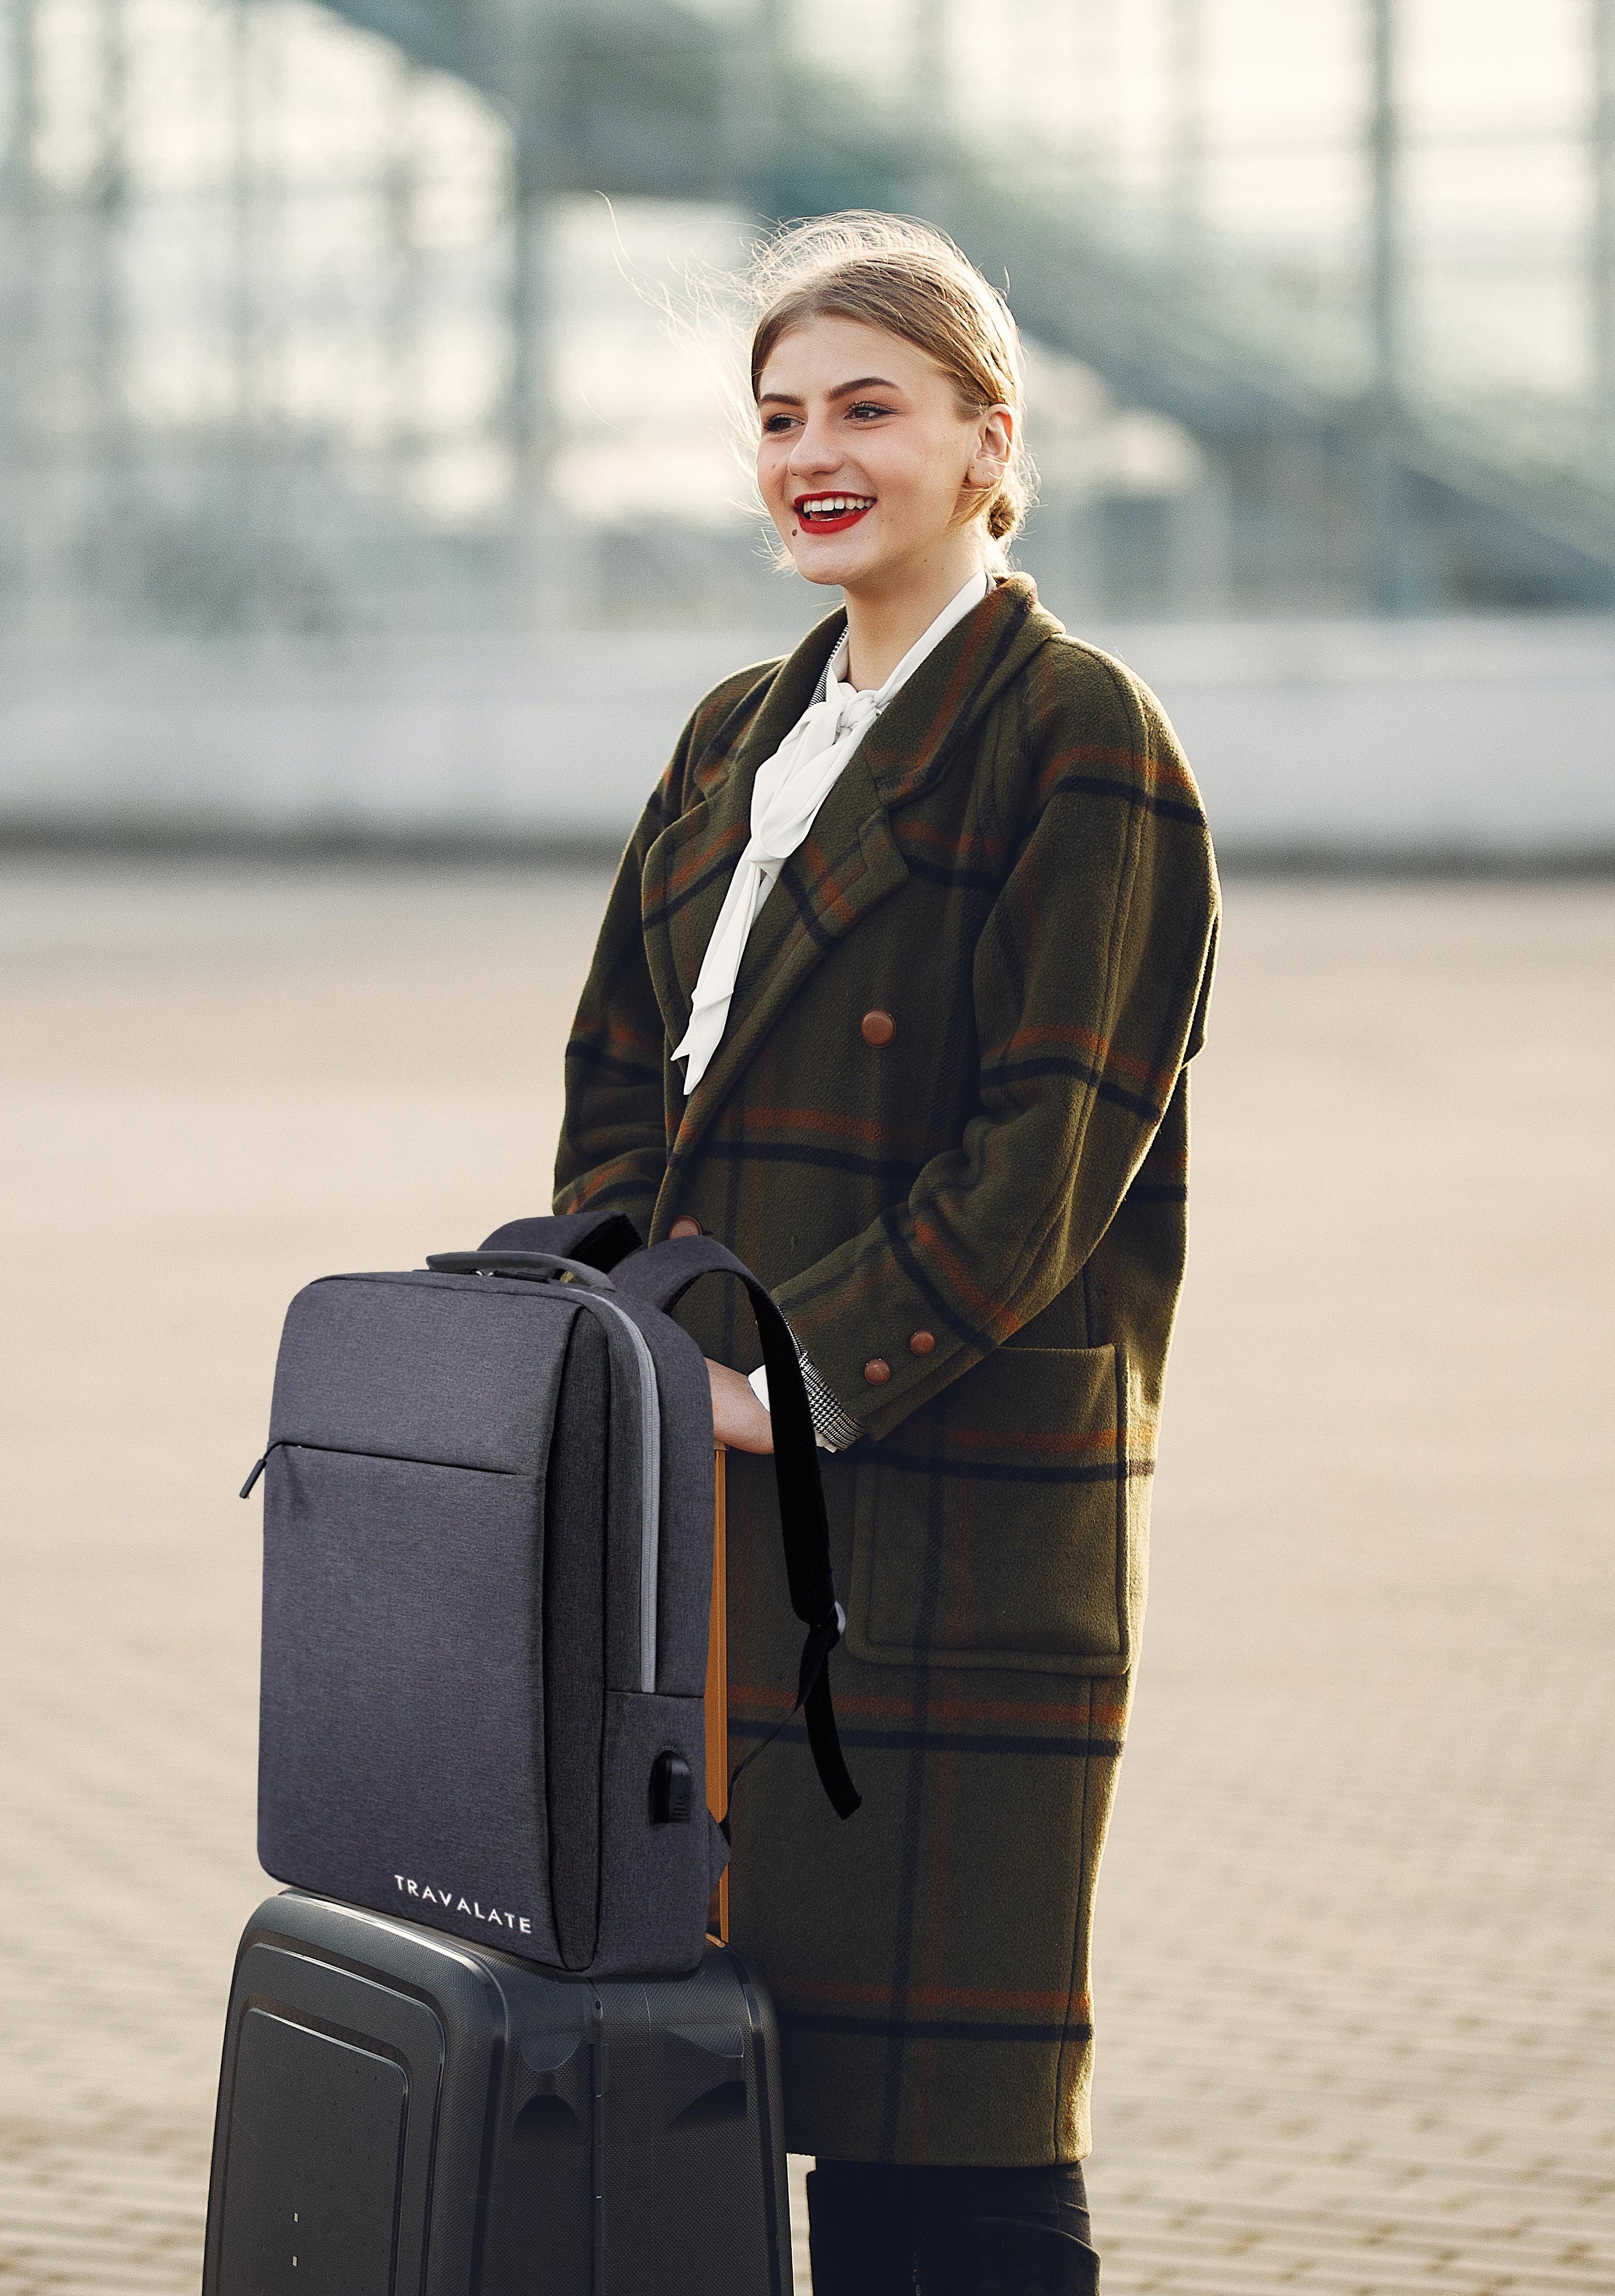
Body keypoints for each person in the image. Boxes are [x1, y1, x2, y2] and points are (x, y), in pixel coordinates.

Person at [551, 212, 1219, 2295]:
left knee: (951, 2103)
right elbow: (615, 1078)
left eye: (868, 408)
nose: (811, 454)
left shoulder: (1078, 732)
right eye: (777, 419)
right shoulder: (736, 733)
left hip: (936, 1491)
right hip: (712, 1489)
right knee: (732, 2068)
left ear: (982, 437)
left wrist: (801, 1380)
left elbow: (1058, 1147)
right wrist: (604, 1341)